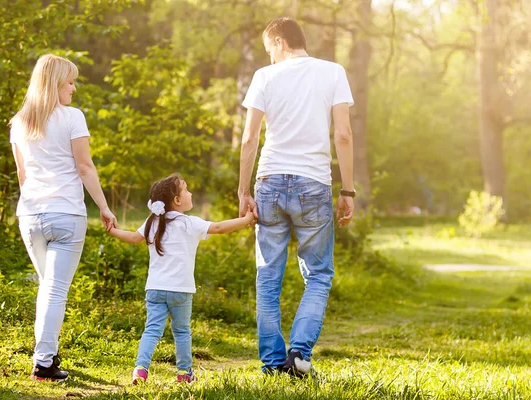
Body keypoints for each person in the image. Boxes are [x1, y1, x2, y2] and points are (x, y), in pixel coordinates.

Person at [238, 17, 356, 377]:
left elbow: (249, 139)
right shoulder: (333, 72)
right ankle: (298, 355)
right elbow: (344, 135)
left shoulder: (265, 77)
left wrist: (244, 190)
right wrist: (347, 189)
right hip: (313, 184)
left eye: (268, 49)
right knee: (318, 275)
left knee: (267, 277)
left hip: (270, 181)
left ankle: (273, 364)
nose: (268, 56)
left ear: (279, 41)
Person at [10, 54, 118, 382]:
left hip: (30, 214)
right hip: (66, 214)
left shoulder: (19, 121)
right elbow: (84, 167)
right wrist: (104, 206)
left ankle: (48, 354)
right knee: (55, 290)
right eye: (70, 81)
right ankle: (43, 363)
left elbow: (22, 173)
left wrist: (34, 202)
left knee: (48, 288)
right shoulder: (72, 117)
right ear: (55, 83)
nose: (74, 88)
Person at [108, 173, 255, 384]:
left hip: (155, 289)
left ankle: (140, 369)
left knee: (152, 330)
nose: (191, 192)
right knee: (182, 332)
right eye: (186, 189)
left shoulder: (152, 222)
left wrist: (113, 231)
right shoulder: (189, 223)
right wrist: (247, 220)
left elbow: (132, 238)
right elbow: (220, 228)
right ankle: (184, 373)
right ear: (177, 200)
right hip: (181, 290)